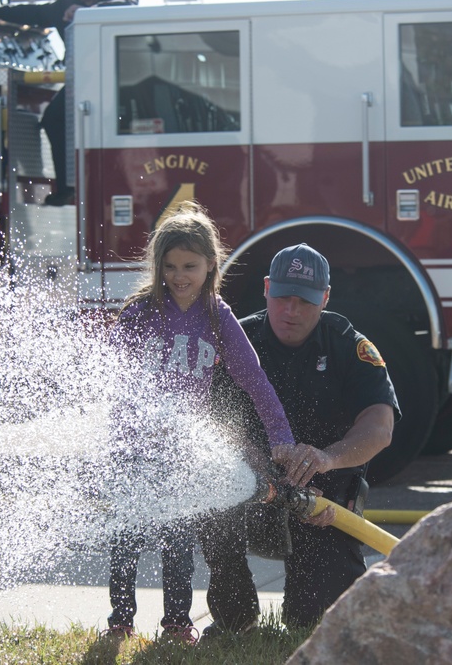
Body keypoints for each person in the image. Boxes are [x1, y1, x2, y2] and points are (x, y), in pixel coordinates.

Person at [105, 200, 295, 642]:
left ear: (211, 264)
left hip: (181, 454)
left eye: (189, 265)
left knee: (177, 540)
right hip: (133, 450)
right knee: (126, 538)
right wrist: (121, 430)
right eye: (169, 266)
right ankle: (120, 620)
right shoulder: (141, 313)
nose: (178, 275)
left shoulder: (218, 318)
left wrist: (280, 436)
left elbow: (255, 382)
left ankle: (176, 621)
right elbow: (109, 375)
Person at [200, 243, 401, 633]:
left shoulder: (349, 345)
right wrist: (249, 457)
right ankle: (234, 618)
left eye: (305, 301)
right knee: (211, 503)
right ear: (265, 288)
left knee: (312, 625)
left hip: (324, 501)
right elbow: (209, 419)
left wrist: (327, 458)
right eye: (282, 298)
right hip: (253, 483)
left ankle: (308, 606)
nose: (291, 311)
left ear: (325, 298)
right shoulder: (238, 339)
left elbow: (380, 427)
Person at [0, 0, 138, 206]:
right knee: (53, 119)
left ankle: (119, 180)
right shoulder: (64, 4)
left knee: (116, 130)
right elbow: (35, 14)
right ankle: (67, 187)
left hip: (120, 82)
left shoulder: (117, 1)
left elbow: (129, 6)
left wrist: (86, 13)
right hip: (83, 80)